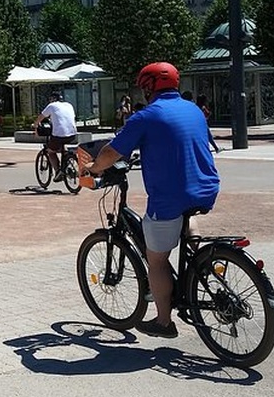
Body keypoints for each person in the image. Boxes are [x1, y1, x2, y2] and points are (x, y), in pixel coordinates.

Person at [87, 62, 220, 339]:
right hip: (206, 188)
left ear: (149, 88)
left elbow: (112, 151)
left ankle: (163, 322)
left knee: (156, 260)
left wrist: (94, 168)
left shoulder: (146, 116)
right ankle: (198, 263)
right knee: (188, 217)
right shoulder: (193, 109)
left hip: (169, 198)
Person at [32, 91, 77, 182]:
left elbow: (41, 117)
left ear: (53, 99)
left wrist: (35, 125)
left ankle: (58, 171)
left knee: (51, 151)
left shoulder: (51, 106)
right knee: (62, 146)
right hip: (72, 134)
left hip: (59, 135)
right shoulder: (68, 105)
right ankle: (67, 162)